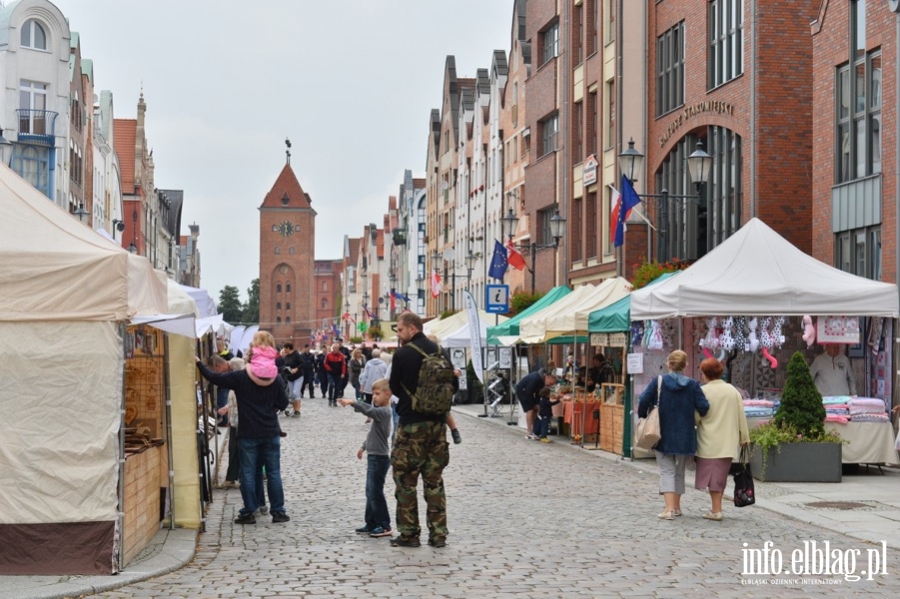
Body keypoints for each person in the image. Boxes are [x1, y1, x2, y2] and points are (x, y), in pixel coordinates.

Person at [195, 339, 291, 525]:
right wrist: (269, 406)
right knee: (273, 473)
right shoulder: (276, 378)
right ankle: (278, 512)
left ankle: (249, 512)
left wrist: (199, 362)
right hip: (270, 431)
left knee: (247, 472)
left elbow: (215, 378)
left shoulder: (241, 377)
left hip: (248, 432)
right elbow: (283, 403)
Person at [389, 312, 458, 548]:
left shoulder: (403, 354)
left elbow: (394, 387)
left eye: (399, 330)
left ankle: (409, 533)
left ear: (411, 328)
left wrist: (414, 399)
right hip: (438, 426)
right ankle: (438, 534)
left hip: (411, 426)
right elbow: (454, 385)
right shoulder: (440, 351)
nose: (398, 334)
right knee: (434, 480)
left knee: (406, 480)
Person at [638, 350, 709, 520]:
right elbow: (704, 407)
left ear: (669, 364)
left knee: (666, 471)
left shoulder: (659, 381)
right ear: (684, 366)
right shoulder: (693, 384)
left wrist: (643, 415)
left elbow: (643, 401)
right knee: (678, 472)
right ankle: (676, 507)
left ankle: (668, 509)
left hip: (662, 432)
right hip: (685, 434)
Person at [695, 358, 750, 522]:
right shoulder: (732, 391)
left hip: (707, 441)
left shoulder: (703, 391)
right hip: (727, 441)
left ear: (705, 374)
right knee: (719, 476)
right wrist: (744, 437)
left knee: (712, 477)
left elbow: (697, 417)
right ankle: (716, 508)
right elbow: (741, 415)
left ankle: (716, 509)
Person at [338, 378, 394, 538]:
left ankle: (384, 525)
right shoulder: (380, 414)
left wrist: (353, 402)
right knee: (370, 491)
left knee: (375, 492)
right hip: (374, 456)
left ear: (387, 394)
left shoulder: (384, 412)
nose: (374, 397)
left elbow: (370, 411)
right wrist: (363, 447)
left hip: (380, 458)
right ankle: (371, 523)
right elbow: (373, 434)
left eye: (377, 394)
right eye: (373, 394)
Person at [515, 368, 558, 441]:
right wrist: (533, 404)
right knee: (530, 410)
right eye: (550, 383)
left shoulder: (542, 380)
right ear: (547, 377)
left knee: (536, 409)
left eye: (551, 385)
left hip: (529, 392)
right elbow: (528, 392)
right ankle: (529, 432)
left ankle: (534, 430)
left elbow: (538, 393)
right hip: (522, 391)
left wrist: (538, 404)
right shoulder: (536, 378)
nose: (549, 385)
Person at [281, 342, 303, 417]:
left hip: (298, 376)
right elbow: (286, 365)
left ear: (288, 348)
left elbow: (302, 363)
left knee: (296, 392)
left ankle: (298, 410)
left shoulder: (296, 354)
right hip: (290, 377)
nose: (283, 350)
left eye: (284, 348)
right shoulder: (286, 356)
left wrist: (296, 369)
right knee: (291, 394)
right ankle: (294, 409)